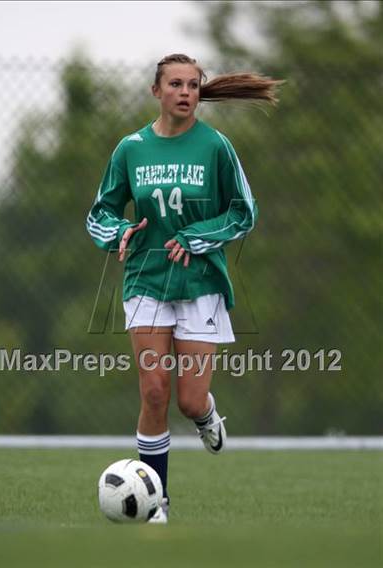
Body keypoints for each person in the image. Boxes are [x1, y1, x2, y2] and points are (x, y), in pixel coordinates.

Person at [86, 54, 282, 523]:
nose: (185, 92)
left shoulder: (215, 146)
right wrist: (121, 232)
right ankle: (158, 502)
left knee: (188, 400)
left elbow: (245, 211)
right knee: (154, 391)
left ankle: (207, 416)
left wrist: (197, 238)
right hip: (146, 282)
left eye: (193, 85)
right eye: (175, 84)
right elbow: (100, 213)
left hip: (200, 284)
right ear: (157, 91)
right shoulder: (130, 148)